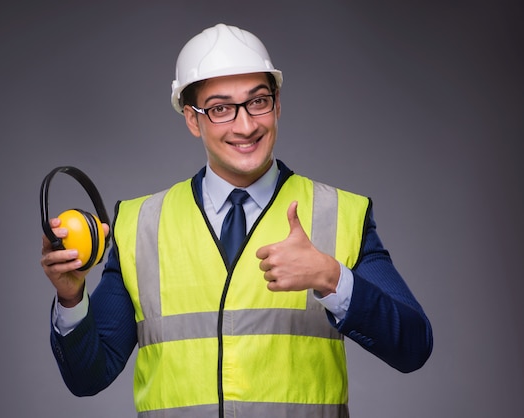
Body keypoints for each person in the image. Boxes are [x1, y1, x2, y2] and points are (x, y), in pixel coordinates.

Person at [41, 23, 433, 418]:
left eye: (258, 101)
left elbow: (413, 347)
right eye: (220, 109)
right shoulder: (140, 224)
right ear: (192, 120)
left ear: (277, 104)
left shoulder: (341, 215)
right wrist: (72, 298)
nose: (246, 126)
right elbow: (89, 377)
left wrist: (333, 278)